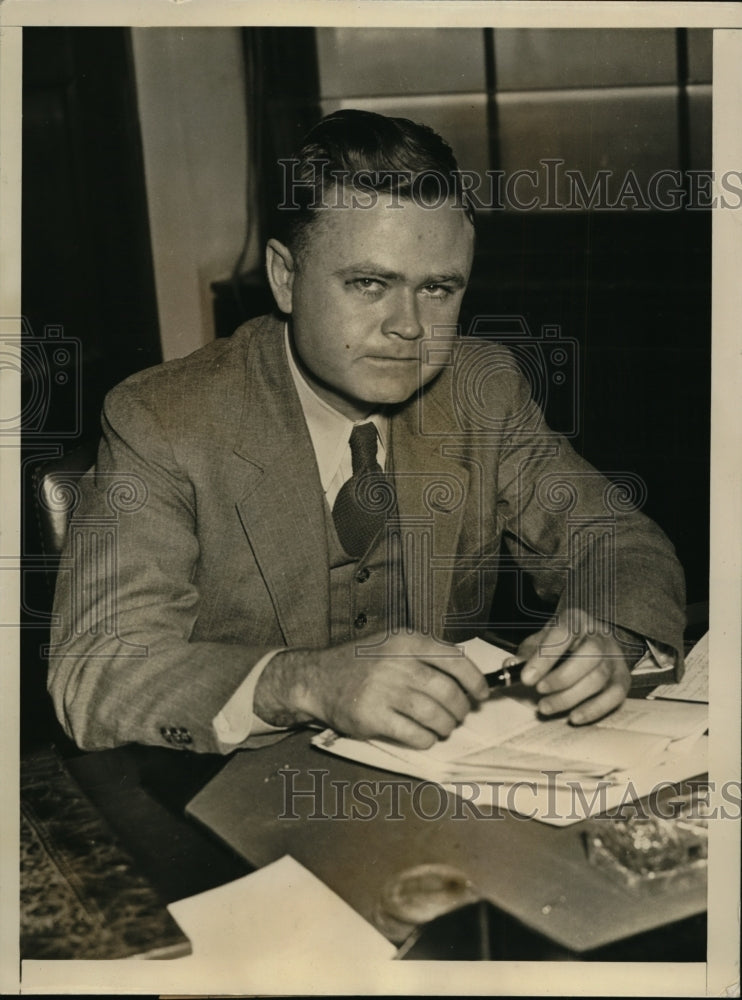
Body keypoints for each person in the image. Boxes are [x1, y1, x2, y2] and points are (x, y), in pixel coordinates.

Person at [48, 109, 685, 755]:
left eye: (438, 288)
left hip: (443, 791)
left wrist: (606, 629)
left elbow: (616, 538)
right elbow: (96, 671)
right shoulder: (164, 419)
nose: (408, 325)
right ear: (285, 277)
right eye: (370, 283)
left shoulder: (481, 389)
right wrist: (301, 682)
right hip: (230, 800)